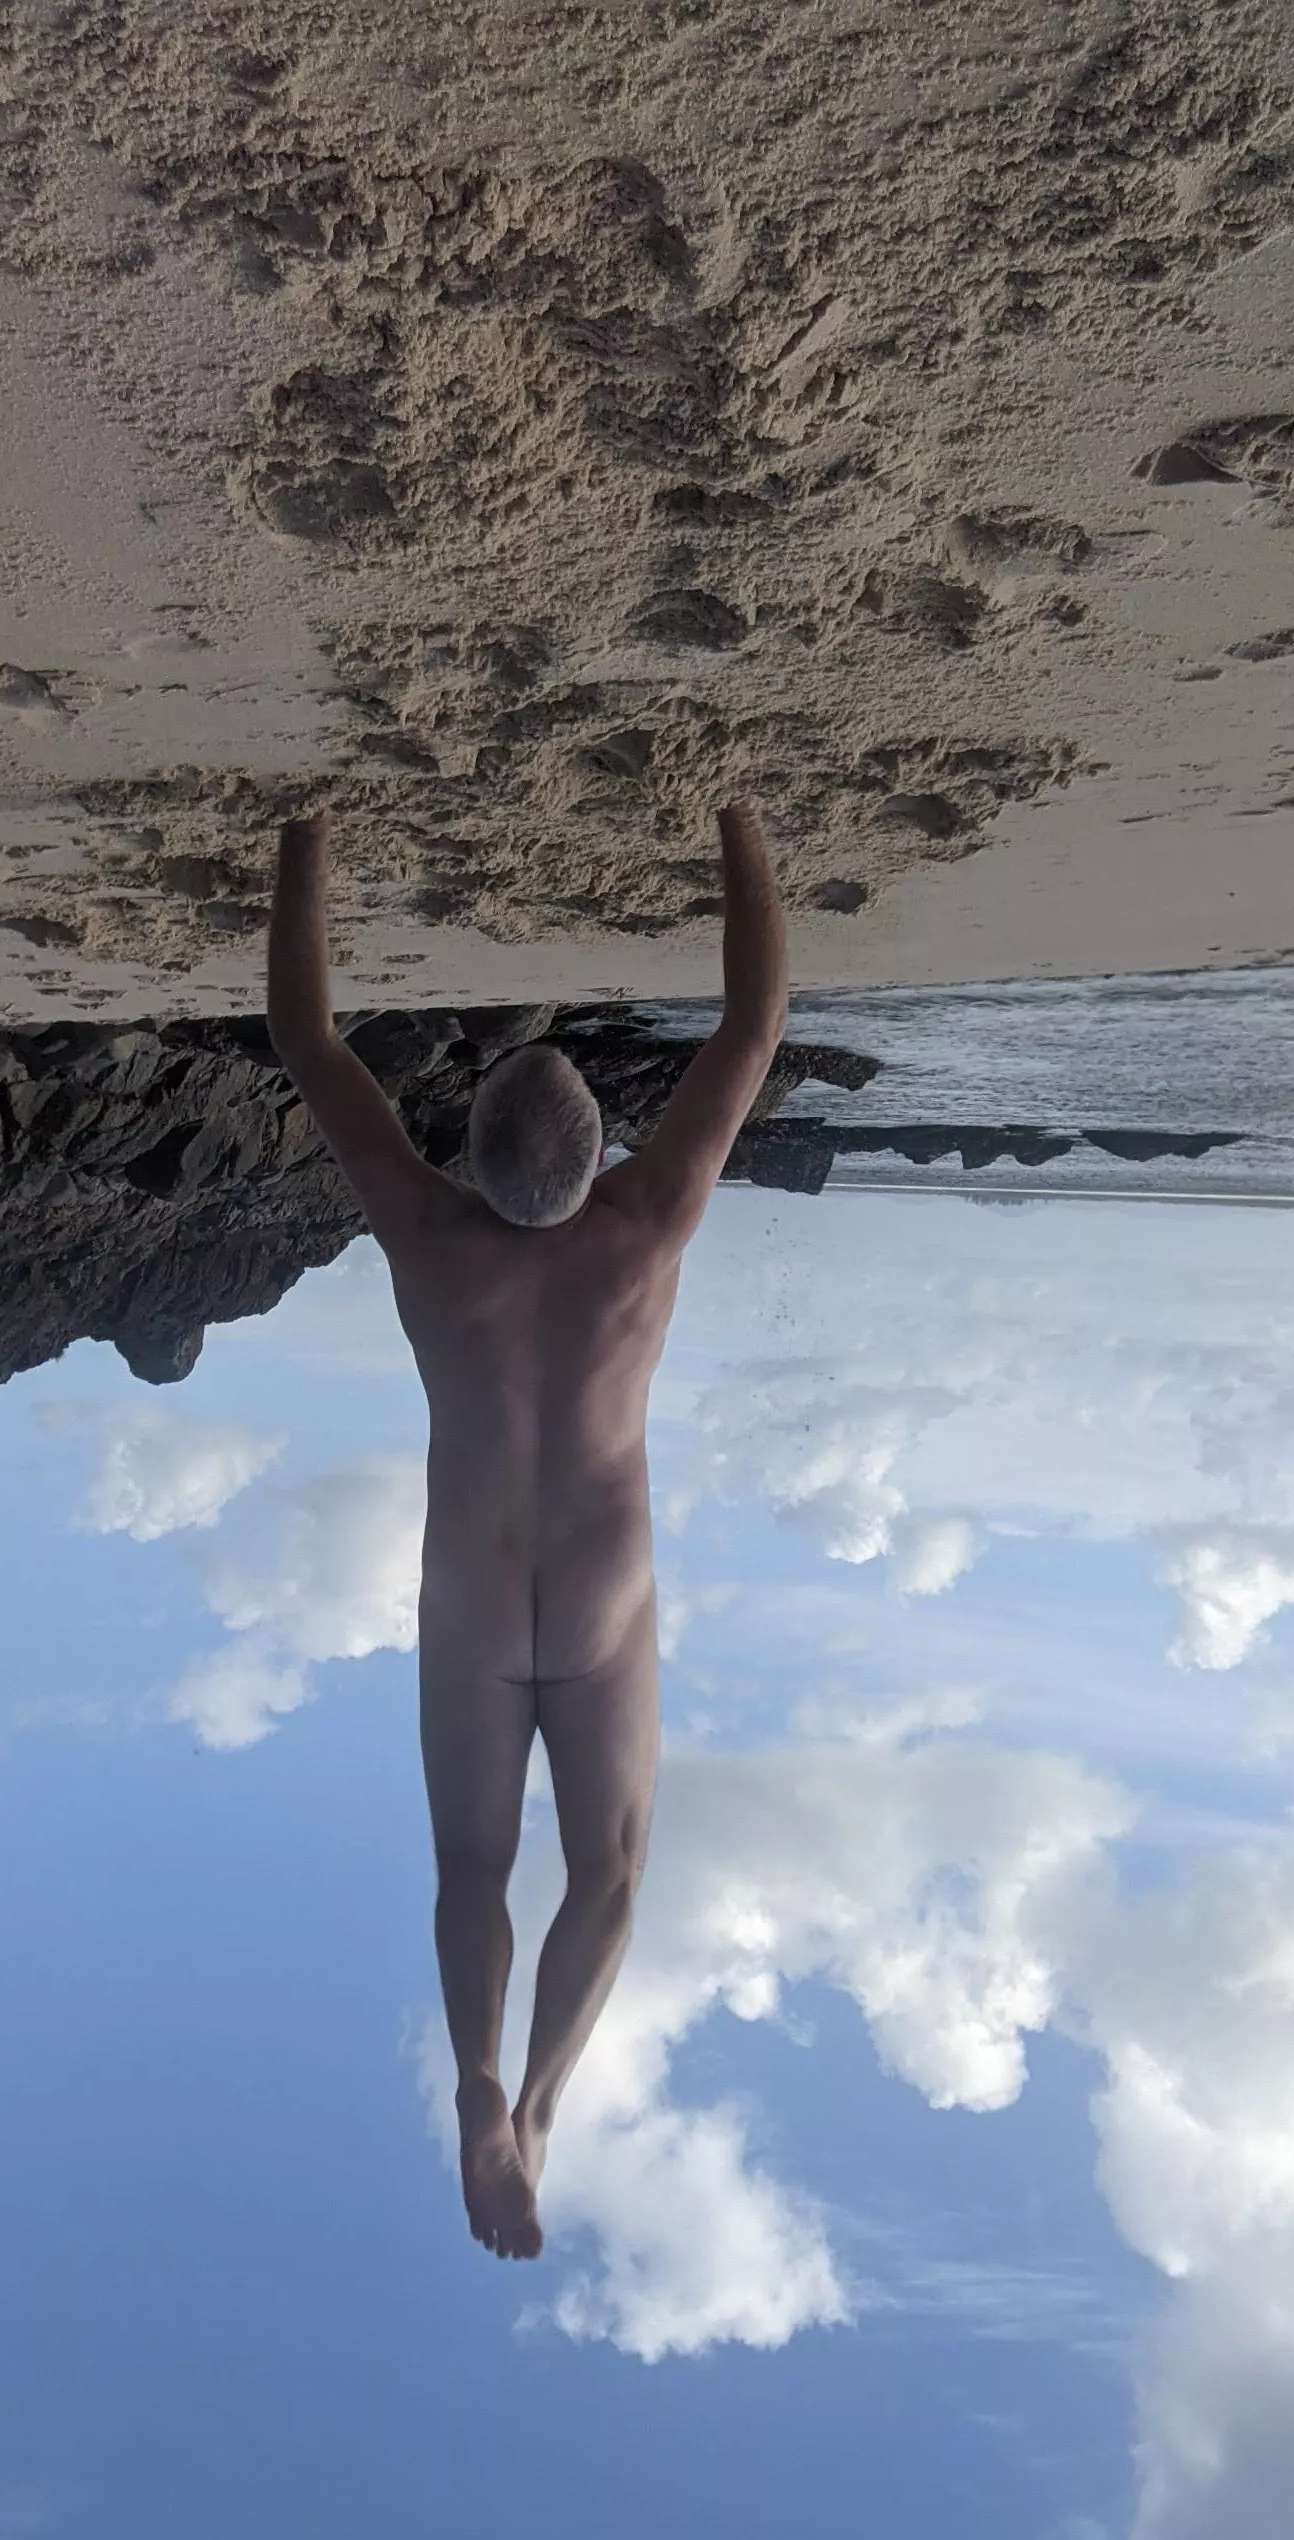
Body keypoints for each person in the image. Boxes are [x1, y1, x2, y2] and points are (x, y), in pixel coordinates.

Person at [264, 801, 789, 2260]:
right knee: (602, 1877)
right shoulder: (644, 1229)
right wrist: (739, 824)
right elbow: (751, 1025)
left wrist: (314, 836)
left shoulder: (429, 1240)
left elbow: (311, 1039)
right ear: (598, 1148)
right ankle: (525, 2089)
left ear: (476, 1151)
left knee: (478, 1879)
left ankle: (509, 2087)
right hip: (601, 1595)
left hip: (475, 1599)